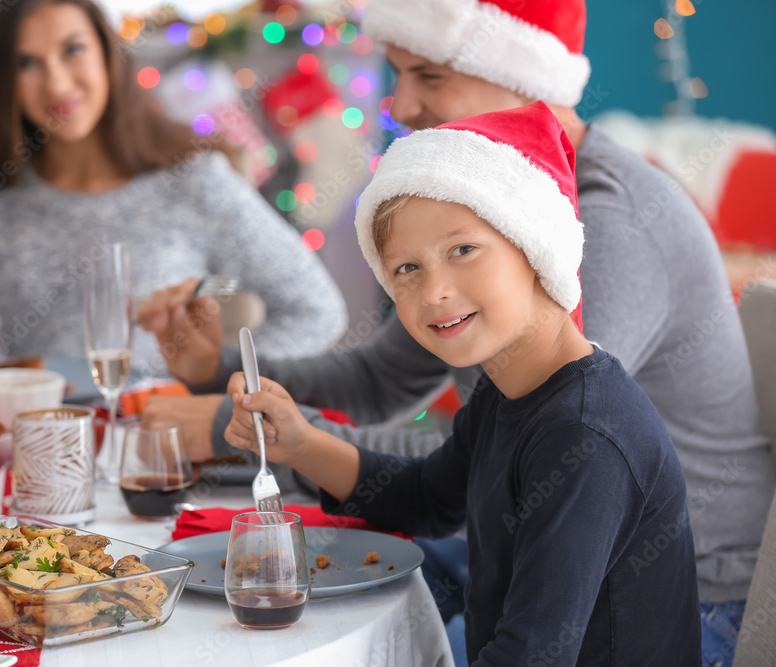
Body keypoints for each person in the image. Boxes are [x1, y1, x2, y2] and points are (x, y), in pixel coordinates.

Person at [138, 1, 773, 663]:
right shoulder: (498, 339)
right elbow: (425, 477)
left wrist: (219, 428)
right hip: (532, 568)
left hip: (682, 603)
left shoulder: (583, 406)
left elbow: (533, 635)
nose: (403, 105)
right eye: (404, 270)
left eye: (430, 75)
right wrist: (278, 422)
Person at [224, 102, 701, 664]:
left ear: (534, 244)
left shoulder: (583, 433)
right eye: (406, 269)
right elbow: (427, 500)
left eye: (463, 250)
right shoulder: (507, 390)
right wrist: (301, 444)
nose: (434, 292)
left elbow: (531, 655)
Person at [0, 0, 347, 380]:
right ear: (3, 81)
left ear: (108, 54)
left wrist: (213, 383)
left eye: (73, 49)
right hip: (37, 448)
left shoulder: (195, 182)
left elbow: (317, 312)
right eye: (27, 63)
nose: (57, 83)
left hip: (167, 454)